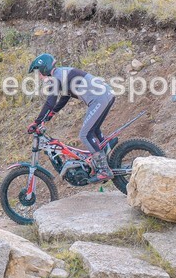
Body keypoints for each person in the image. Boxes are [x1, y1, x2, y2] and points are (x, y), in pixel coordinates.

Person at [27, 53, 116, 183]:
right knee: (93, 130)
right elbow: (65, 97)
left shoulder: (56, 78)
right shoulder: (62, 73)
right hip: (106, 94)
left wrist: (37, 122)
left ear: (44, 69)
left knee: (85, 135)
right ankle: (105, 151)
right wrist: (50, 115)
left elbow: (49, 102)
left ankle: (103, 170)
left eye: (39, 73)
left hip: (99, 99)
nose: (39, 76)